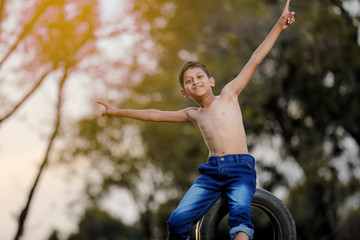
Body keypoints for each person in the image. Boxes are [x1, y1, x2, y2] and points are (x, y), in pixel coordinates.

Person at [97, 0, 295, 239]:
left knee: (240, 217)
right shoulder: (193, 114)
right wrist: (118, 111)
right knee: (177, 222)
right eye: (189, 81)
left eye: (199, 76)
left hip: (240, 169)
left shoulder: (230, 95)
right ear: (185, 93)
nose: (195, 82)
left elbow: (255, 60)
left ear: (211, 81)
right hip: (211, 173)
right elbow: (155, 115)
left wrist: (278, 26)